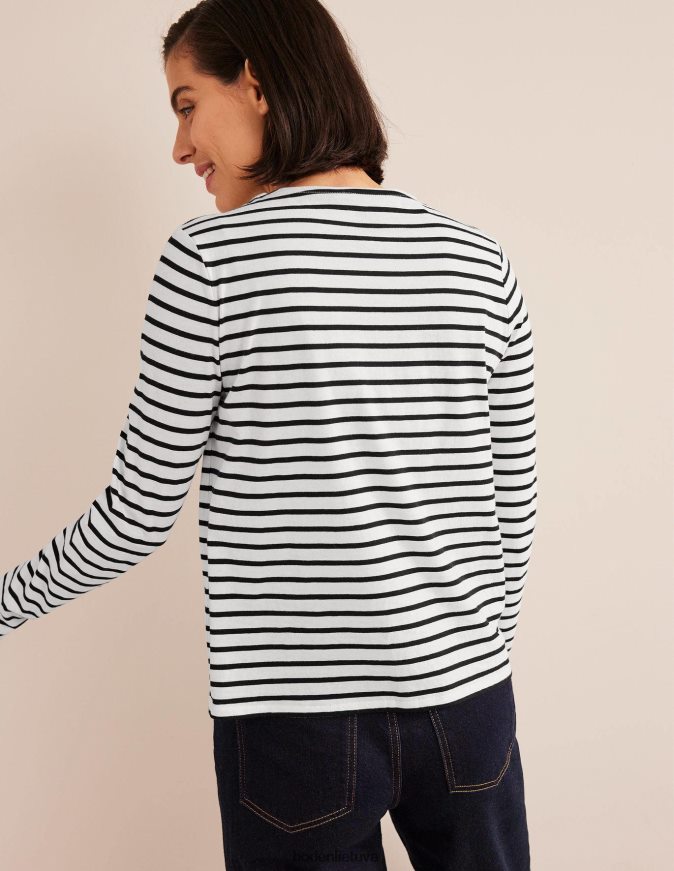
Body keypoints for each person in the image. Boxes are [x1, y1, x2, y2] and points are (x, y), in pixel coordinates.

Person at [1, 1, 537, 868]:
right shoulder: (480, 260)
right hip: (470, 705)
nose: (180, 148)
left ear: (255, 82)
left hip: (296, 729)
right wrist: (470, 656)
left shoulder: (209, 262)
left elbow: (135, 517)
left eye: (186, 105)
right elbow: (511, 503)